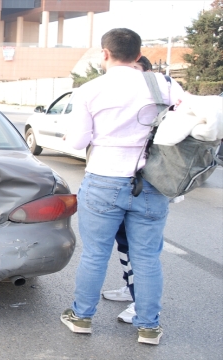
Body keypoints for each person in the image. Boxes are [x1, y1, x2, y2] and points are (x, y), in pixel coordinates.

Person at [60, 28, 182, 345]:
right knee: (147, 258)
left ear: (105, 53)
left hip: (104, 180)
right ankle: (149, 327)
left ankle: (82, 318)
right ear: (139, 54)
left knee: (95, 255)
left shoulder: (91, 90)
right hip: (152, 183)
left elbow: (76, 141)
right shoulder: (166, 86)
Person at [102, 53, 185, 325]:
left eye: (136, 70)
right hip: (126, 181)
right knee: (125, 244)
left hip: (148, 182)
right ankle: (131, 289)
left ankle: (141, 304)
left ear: (147, 72)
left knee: (143, 251)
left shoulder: (165, 91)